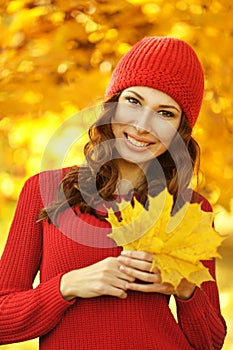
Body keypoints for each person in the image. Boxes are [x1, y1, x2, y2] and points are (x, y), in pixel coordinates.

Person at [0, 36, 227, 350]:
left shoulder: (190, 210)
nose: (142, 126)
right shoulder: (46, 190)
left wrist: (186, 289)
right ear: (112, 105)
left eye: (165, 113)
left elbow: (211, 343)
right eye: (133, 101)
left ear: (181, 130)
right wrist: (68, 286)